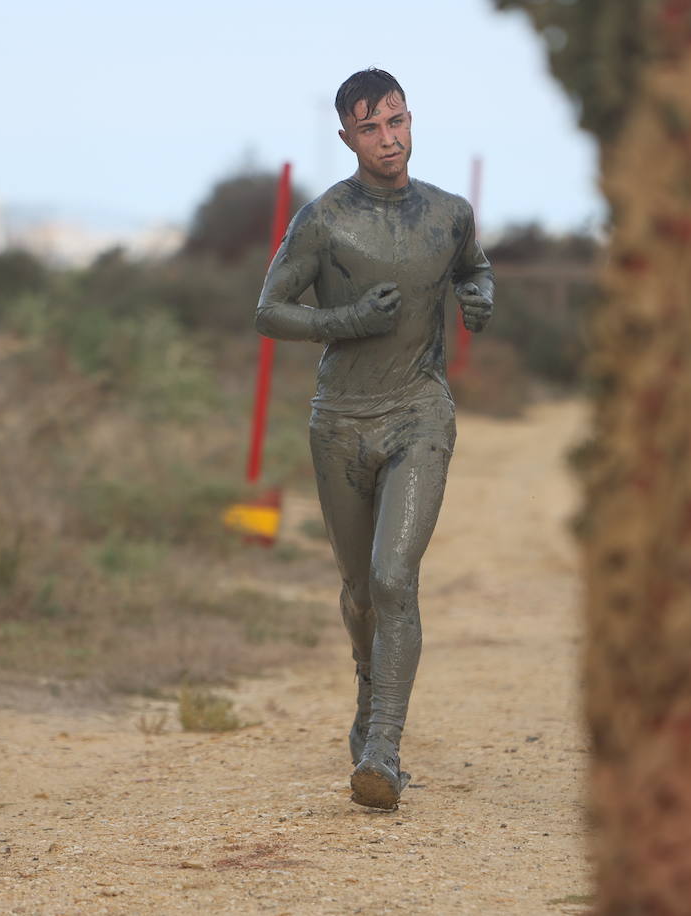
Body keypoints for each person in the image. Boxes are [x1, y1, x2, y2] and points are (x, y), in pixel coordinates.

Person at [255, 69, 494, 810]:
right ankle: (369, 691)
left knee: (394, 579)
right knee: (361, 593)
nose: (388, 140)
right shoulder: (324, 220)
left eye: (396, 122)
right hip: (339, 424)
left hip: (419, 412)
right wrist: (343, 321)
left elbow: (475, 270)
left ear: (411, 120)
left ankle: (384, 751)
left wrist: (479, 297)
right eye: (371, 128)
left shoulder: (450, 215)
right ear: (346, 138)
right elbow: (269, 309)